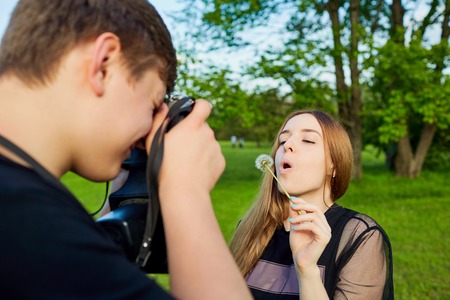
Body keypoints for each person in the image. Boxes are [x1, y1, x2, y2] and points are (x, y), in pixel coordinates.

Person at [0, 1, 251, 299]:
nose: (147, 131)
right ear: (103, 63)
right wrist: (186, 192)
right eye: (153, 103)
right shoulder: (36, 234)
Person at [229, 110, 394, 299]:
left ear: (334, 164)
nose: (287, 146)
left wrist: (307, 269)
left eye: (307, 140)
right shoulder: (249, 228)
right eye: (282, 141)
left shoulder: (359, 236)